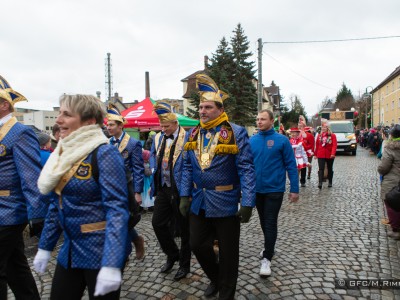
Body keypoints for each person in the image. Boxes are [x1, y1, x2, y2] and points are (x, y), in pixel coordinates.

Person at [33, 94, 131, 300]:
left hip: (100, 251)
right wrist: (44, 246)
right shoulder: (65, 153)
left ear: (89, 122)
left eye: (66, 114)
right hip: (69, 251)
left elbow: (117, 210)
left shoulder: (104, 154)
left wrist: (112, 263)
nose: (58, 120)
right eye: (59, 113)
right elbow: (56, 204)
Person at [179, 74, 256, 299]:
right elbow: (185, 167)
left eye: (208, 107)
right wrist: (184, 195)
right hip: (199, 201)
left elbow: (247, 169)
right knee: (197, 245)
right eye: (201, 107)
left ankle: (226, 292)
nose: (202, 111)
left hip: (225, 201)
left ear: (220, 109)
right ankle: (215, 277)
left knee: (229, 253)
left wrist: (248, 202)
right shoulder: (192, 133)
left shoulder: (235, 132)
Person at [0, 75, 48, 299]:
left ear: (4, 104)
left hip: (9, 212)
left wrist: (37, 216)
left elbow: (31, 177)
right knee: (15, 269)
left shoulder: (20, 132)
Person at [250, 109, 299, 277]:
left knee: (270, 222)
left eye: (263, 119)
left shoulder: (282, 141)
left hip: (274, 190)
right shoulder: (252, 140)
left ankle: (267, 258)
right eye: (257, 119)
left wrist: (294, 189)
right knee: (264, 222)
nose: (259, 122)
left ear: (272, 121)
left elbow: (291, 165)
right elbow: (247, 166)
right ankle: (269, 246)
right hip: (257, 190)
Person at [150, 100, 191, 281]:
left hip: (181, 189)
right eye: (161, 125)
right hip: (163, 188)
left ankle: (184, 265)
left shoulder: (188, 137)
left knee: (184, 230)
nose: (163, 128)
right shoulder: (158, 137)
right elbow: (153, 155)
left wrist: (187, 192)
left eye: (166, 126)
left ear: (176, 123)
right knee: (157, 223)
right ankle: (172, 253)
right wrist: (154, 169)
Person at [106, 103, 145, 260]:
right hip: (111, 189)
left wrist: (137, 192)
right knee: (116, 221)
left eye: (111, 124)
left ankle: (129, 246)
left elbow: (138, 169)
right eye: (107, 124)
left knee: (126, 220)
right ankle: (133, 242)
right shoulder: (107, 143)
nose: (108, 127)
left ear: (120, 126)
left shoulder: (133, 143)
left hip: (127, 189)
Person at [378, 124, 400, 239]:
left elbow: (383, 167)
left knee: (391, 203)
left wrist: (380, 170)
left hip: (393, 181)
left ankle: (396, 229)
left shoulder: (390, 147)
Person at [315, 119, 337, 189]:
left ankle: (330, 182)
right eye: (322, 127)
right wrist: (315, 154)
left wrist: (333, 153)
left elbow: (334, 145)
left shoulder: (332, 135)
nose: (323, 129)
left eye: (325, 127)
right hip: (321, 154)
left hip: (329, 154)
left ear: (327, 128)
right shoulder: (319, 136)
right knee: (321, 168)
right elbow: (317, 145)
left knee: (330, 168)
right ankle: (320, 182)